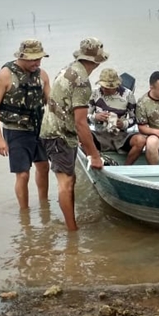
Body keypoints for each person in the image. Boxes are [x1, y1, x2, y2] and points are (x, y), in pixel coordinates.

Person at [40, 37, 107, 231]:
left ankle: (69, 225)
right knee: (66, 183)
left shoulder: (67, 69)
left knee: (69, 179)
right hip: (58, 134)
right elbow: (81, 122)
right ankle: (72, 231)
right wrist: (94, 155)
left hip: (54, 130)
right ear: (97, 61)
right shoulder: (82, 82)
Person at [0, 39, 52, 209]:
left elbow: (51, 104)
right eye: (33, 59)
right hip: (15, 130)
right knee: (23, 175)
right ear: (22, 57)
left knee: (44, 167)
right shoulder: (5, 75)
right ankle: (25, 213)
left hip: (39, 128)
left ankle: (44, 206)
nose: (37, 63)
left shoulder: (42, 75)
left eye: (39, 59)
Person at [88, 68, 146, 164]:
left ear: (115, 86)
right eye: (102, 86)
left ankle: (125, 168)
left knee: (140, 140)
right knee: (81, 136)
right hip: (100, 135)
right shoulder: (95, 93)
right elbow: (84, 117)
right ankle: (98, 160)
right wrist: (95, 117)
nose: (103, 89)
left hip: (120, 136)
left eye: (107, 87)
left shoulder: (128, 95)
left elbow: (134, 119)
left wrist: (123, 124)